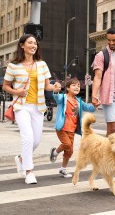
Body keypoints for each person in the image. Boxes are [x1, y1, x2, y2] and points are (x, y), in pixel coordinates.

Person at [2, 34, 61, 184]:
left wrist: (55, 87)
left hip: (38, 106)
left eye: (35, 43)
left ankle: (21, 158)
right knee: (27, 138)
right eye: (30, 43)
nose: (33, 45)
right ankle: (29, 171)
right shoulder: (13, 66)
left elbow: (47, 86)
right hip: (21, 106)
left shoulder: (42, 64)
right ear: (22, 45)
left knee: (36, 141)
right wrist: (17, 92)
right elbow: (5, 86)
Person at [49, 77, 96, 178]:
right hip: (62, 127)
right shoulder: (63, 97)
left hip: (72, 129)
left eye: (78, 85)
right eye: (74, 85)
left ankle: (63, 168)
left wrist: (96, 105)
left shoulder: (79, 101)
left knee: (69, 150)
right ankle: (55, 152)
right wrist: (56, 91)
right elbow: (56, 97)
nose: (77, 87)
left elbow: (89, 108)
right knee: (67, 144)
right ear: (67, 88)